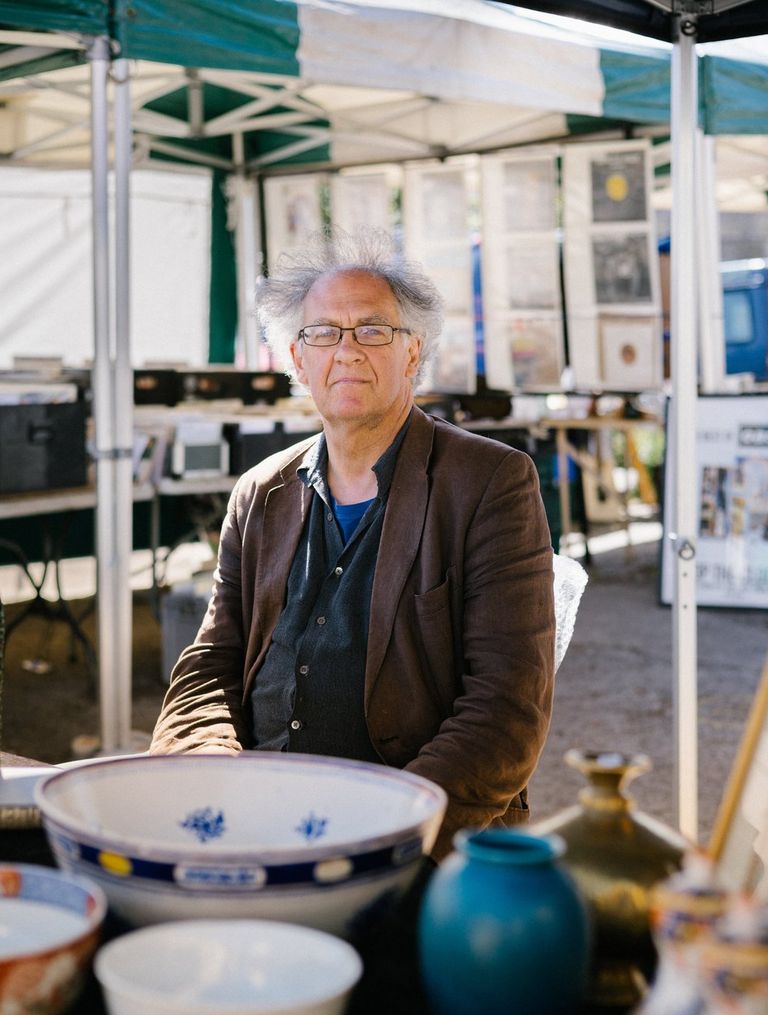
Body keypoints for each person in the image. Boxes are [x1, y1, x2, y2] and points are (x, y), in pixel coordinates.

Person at [149, 228, 555, 860]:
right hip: (254, 814)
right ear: (296, 359)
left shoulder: (489, 483)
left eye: (372, 330)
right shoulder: (261, 492)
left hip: (403, 832)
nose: (346, 350)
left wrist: (376, 829)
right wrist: (211, 774)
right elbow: (209, 667)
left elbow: (505, 709)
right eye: (323, 333)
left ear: (413, 352)